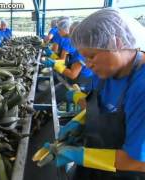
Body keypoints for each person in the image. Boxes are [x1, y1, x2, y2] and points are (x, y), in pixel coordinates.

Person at [35, 8, 145, 179]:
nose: (87, 64)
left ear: (117, 43)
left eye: (91, 56)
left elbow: (139, 162)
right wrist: (79, 121)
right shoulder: (106, 72)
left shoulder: (141, 87)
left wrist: (81, 155)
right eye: (84, 58)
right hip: (97, 162)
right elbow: (99, 105)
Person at [43, 20, 93, 87]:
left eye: (71, 33)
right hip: (79, 75)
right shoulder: (80, 45)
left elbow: (73, 74)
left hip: (82, 80)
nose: (69, 35)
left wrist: (54, 64)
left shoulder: (83, 50)